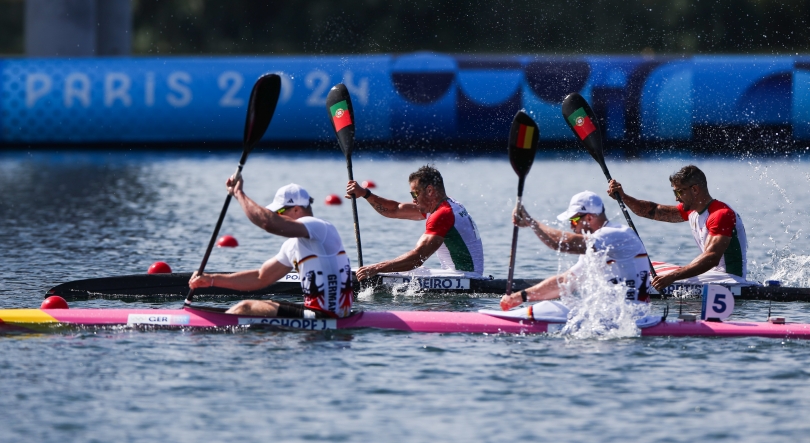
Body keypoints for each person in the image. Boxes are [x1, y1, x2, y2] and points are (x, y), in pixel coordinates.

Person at [189, 180, 353, 318]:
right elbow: (261, 277)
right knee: (259, 308)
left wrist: (238, 193)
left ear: (296, 209)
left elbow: (268, 223)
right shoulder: (292, 245)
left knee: (245, 308)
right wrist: (211, 279)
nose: (277, 216)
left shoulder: (320, 227)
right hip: (319, 314)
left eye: (280, 211)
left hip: (326, 317)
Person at [500, 191, 650, 311]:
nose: (572, 227)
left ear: (589, 217)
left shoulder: (615, 234)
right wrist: (520, 297)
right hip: (616, 316)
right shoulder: (597, 247)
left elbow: (563, 244)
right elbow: (566, 282)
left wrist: (532, 222)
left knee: (551, 309)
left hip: (627, 316)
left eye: (574, 221)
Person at [606, 164, 748, 290]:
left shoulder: (720, 215)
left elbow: (711, 258)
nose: (676, 198)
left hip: (729, 280)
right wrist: (623, 197)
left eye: (679, 192)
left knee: (644, 278)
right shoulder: (692, 211)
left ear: (695, 190)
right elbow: (654, 210)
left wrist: (672, 277)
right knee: (643, 266)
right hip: (709, 275)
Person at [345, 165, 484, 280]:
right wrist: (365, 194)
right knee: (410, 272)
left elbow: (417, 258)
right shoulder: (447, 205)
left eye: (415, 194)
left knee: (407, 270)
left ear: (429, 190)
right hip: (464, 275)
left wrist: (376, 269)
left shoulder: (443, 214)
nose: (413, 199)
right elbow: (394, 210)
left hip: (465, 278)